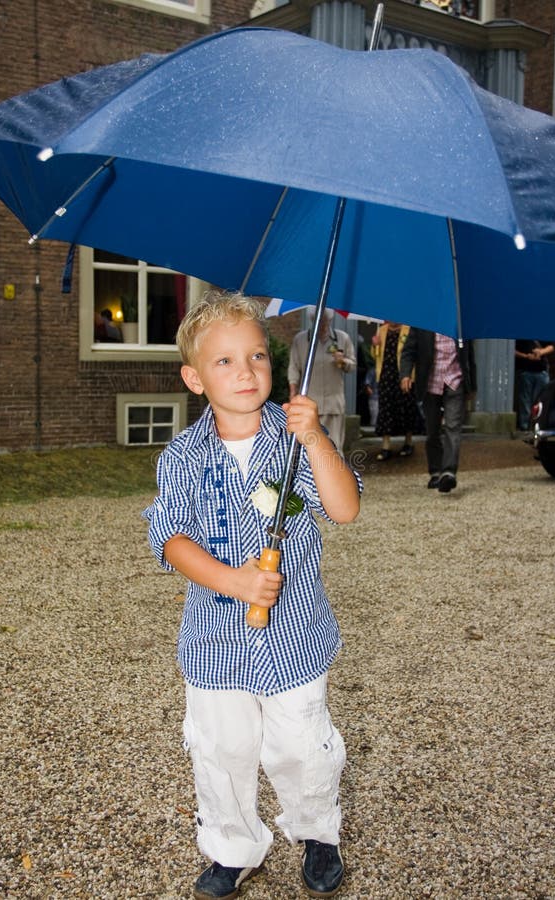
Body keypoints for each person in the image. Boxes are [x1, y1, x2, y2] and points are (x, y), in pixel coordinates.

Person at [143, 291, 362, 900]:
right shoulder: (183, 455)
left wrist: (317, 440)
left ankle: (317, 832)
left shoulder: (297, 439)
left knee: (301, 746)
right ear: (193, 378)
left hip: (295, 641)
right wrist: (234, 580)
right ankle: (232, 846)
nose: (246, 372)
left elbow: (344, 510)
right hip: (214, 645)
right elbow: (172, 541)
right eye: (225, 361)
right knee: (223, 749)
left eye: (258, 356)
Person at [399, 328, 476, 493]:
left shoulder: (460, 324)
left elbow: (470, 356)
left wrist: (472, 387)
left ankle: (448, 472)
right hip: (430, 381)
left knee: (453, 426)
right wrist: (405, 374)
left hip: (455, 381)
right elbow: (408, 351)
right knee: (432, 430)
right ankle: (435, 472)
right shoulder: (423, 323)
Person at [287, 308, 357, 454]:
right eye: (319, 321)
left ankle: (337, 474)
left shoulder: (342, 338)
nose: (322, 326)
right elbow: (293, 367)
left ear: (330, 320)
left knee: (335, 447)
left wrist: (343, 361)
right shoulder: (300, 340)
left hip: (334, 404)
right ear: (312, 320)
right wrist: (293, 392)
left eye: (325, 322)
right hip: (310, 403)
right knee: (310, 446)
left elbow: (352, 366)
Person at [371, 321, 422, 461]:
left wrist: (410, 375)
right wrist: (375, 345)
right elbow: (375, 356)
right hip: (386, 375)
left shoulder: (408, 330)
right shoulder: (381, 330)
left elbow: (412, 353)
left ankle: (408, 442)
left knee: (406, 408)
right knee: (386, 409)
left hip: (404, 375)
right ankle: (386, 446)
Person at [514, 339, 554, 430]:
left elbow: (551, 347)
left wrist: (540, 352)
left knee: (541, 401)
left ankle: (539, 424)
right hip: (525, 370)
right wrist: (526, 356)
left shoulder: (542, 333)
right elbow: (512, 350)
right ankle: (525, 426)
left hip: (541, 370)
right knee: (525, 401)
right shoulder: (520, 336)